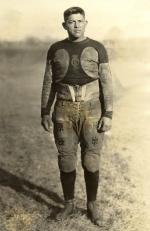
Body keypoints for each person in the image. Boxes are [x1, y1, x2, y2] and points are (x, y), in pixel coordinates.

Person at [41, 6, 113, 226]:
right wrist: (45, 110)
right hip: (63, 111)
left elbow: (106, 83)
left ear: (86, 23)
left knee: (91, 160)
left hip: (92, 110)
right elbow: (48, 82)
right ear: (65, 25)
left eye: (80, 21)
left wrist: (108, 113)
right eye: (71, 21)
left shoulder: (97, 48)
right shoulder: (55, 49)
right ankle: (69, 203)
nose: (76, 25)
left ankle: (92, 205)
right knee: (66, 160)